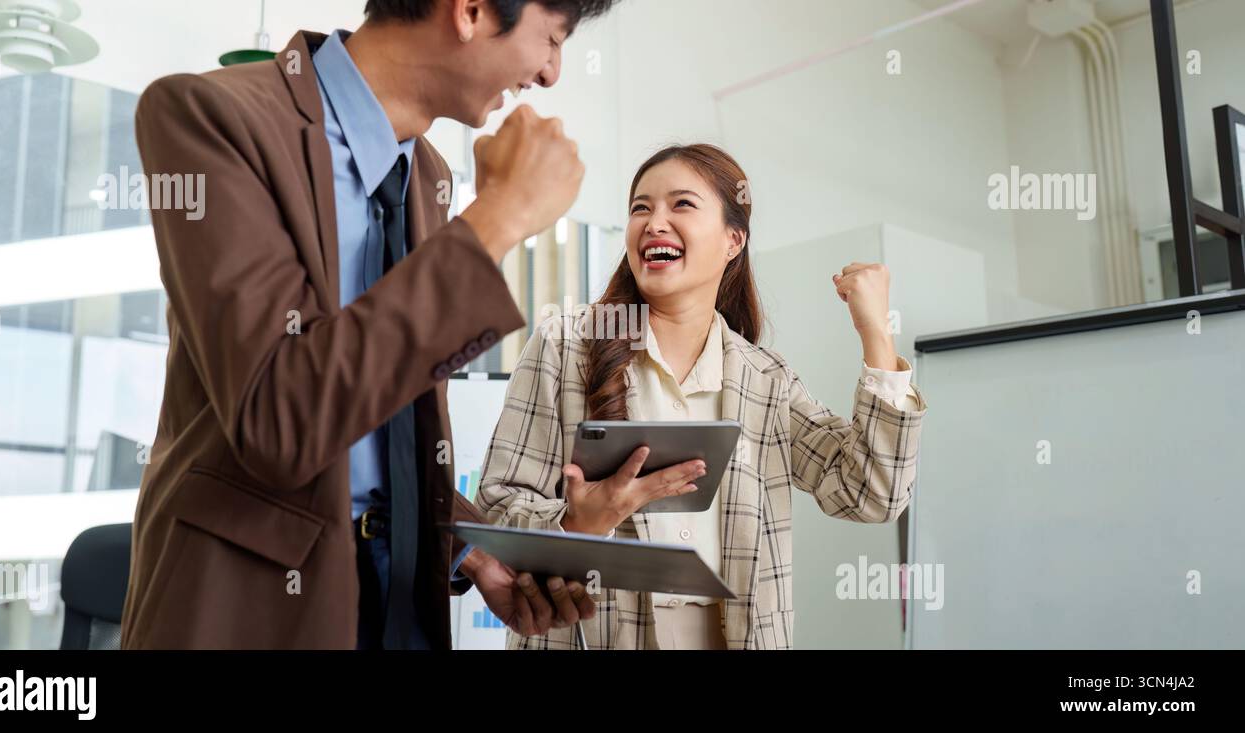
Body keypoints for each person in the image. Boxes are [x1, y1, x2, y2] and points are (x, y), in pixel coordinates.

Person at [120, 0, 618, 649]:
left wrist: (467, 550)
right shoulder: (209, 117)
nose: (551, 73)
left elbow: (380, 426)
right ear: (469, 10)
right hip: (253, 605)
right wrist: (500, 215)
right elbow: (280, 418)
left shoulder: (430, 175)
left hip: (403, 592)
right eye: (551, 39)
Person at [474, 144, 927, 649]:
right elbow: (497, 510)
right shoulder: (565, 345)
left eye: (681, 205)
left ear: (733, 240)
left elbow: (872, 494)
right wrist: (579, 520)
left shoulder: (765, 380)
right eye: (640, 208)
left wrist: (876, 335)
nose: (653, 222)